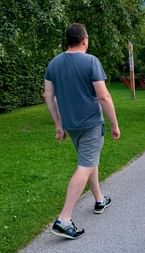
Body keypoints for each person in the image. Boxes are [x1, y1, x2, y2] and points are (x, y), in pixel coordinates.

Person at [43, 23, 120, 240]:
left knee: (89, 162)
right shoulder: (91, 61)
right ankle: (64, 219)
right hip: (91, 123)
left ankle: (99, 199)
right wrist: (115, 124)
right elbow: (104, 96)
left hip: (71, 125)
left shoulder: (53, 63)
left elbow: (48, 96)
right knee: (85, 165)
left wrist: (58, 124)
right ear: (84, 39)